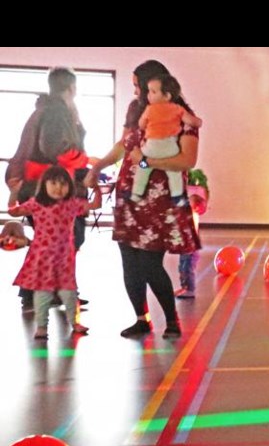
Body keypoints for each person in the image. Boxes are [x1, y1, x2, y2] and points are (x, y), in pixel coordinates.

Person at [85, 60, 201, 339]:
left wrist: (146, 163)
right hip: (131, 195)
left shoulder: (182, 118)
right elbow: (122, 146)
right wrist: (98, 167)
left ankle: (172, 321)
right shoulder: (140, 112)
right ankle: (142, 318)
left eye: (141, 86)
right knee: (129, 259)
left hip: (159, 200)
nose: (138, 91)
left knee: (150, 263)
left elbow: (187, 160)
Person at [5, 67, 89, 310]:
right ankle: (43, 291)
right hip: (49, 187)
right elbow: (54, 148)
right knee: (64, 239)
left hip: (40, 185)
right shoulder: (56, 111)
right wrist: (83, 160)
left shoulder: (48, 109)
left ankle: (48, 290)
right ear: (71, 88)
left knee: (51, 241)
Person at [8, 166, 102, 339]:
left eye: (63, 184)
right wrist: (14, 193)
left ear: (70, 186)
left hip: (65, 256)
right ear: (44, 185)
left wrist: (96, 189)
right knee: (43, 293)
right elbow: (14, 210)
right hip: (42, 256)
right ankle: (42, 326)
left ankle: (74, 322)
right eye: (53, 183)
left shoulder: (71, 204)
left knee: (69, 292)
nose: (58, 188)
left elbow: (95, 205)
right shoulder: (36, 203)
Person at [133, 74, 203, 205]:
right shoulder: (177, 109)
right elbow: (193, 121)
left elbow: (141, 124)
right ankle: (177, 196)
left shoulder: (149, 109)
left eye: (153, 92)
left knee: (143, 169)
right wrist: (199, 122)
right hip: (170, 147)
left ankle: (136, 193)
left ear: (167, 95)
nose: (149, 95)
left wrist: (146, 124)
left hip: (152, 147)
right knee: (174, 172)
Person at [177, 178, 209, 299]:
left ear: (195, 207)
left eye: (190, 202)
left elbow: (190, 232)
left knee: (187, 269)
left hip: (190, 248)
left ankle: (190, 289)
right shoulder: (188, 214)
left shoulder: (193, 216)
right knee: (181, 268)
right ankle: (184, 287)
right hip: (185, 246)